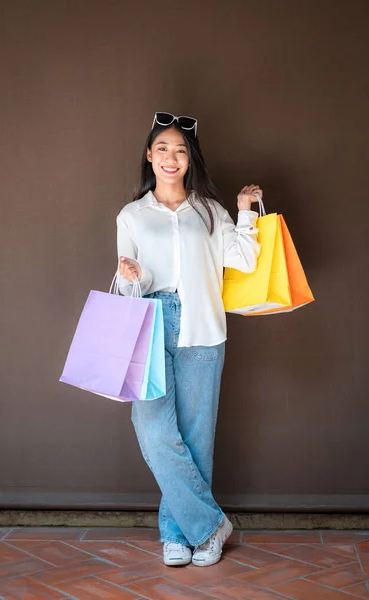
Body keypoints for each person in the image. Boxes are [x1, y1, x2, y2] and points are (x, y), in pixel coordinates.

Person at [116, 112, 262, 567]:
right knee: (154, 430)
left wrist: (242, 211)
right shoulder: (132, 215)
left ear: (190, 158)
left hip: (203, 325)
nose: (171, 158)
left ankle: (179, 535)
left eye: (180, 150)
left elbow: (245, 261)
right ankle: (210, 525)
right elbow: (125, 287)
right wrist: (130, 276)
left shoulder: (209, 211)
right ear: (149, 156)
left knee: (196, 436)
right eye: (162, 149)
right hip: (151, 324)